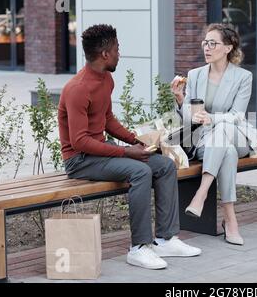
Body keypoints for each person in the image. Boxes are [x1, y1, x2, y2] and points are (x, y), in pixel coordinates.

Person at [58, 24, 201, 270]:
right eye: (116, 49)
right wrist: (126, 151)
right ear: (105, 54)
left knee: (165, 166)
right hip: (80, 160)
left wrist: (136, 140)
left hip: (101, 152)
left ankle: (166, 239)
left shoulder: (106, 78)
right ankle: (138, 248)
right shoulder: (78, 89)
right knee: (140, 171)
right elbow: (79, 141)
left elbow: (108, 119)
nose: (119, 54)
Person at [172, 23, 257, 246]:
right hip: (203, 140)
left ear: (228, 48)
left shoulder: (243, 77)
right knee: (227, 153)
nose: (207, 48)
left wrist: (213, 118)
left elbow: (237, 116)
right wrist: (181, 100)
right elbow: (188, 118)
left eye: (213, 43)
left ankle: (201, 194)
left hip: (236, 135)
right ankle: (230, 220)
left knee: (224, 132)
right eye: (205, 43)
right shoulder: (195, 75)